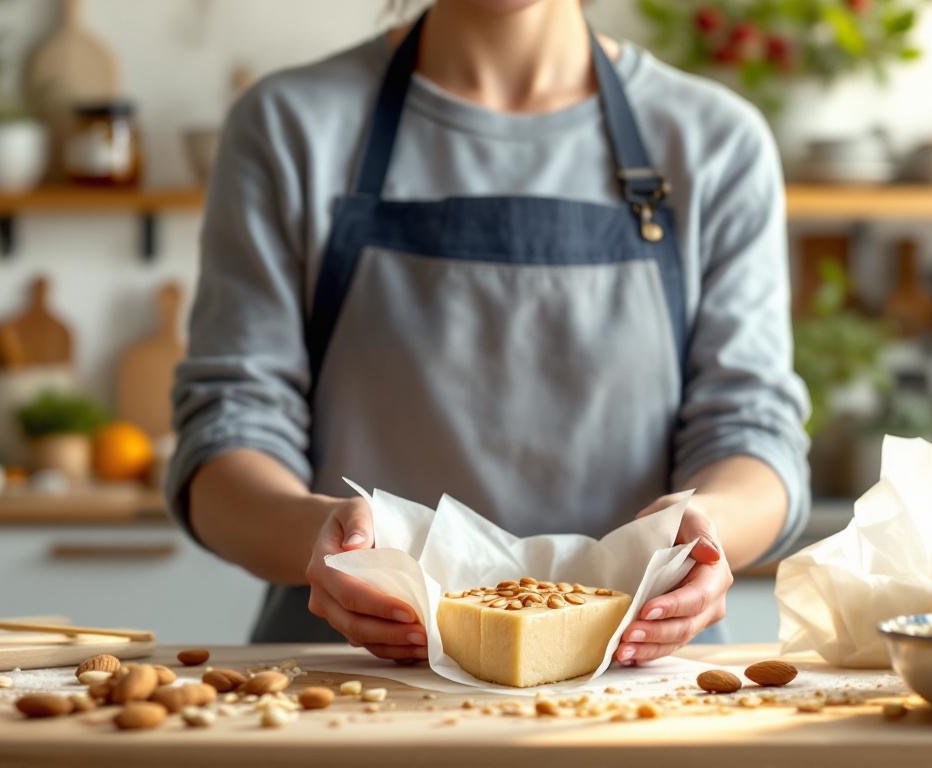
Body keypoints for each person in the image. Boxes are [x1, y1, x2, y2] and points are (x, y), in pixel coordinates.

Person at [168, 0, 810, 666]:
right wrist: (318, 539)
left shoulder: (716, 141)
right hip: (349, 684)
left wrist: (709, 532)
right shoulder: (287, 126)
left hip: (641, 688)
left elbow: (752, 430)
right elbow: (226, 437)